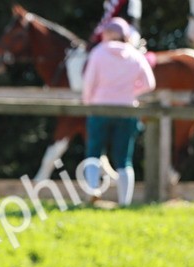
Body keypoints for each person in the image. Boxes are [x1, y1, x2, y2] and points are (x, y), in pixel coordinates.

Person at [82, 17, 156, 206]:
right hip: (127, 110)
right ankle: (124, 202)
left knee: (93, 152)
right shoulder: (134, 54)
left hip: (99, 109)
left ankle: (93, 192)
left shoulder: (98, 53)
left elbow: (88, 84)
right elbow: (150, 83)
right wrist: (132, 92)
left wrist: (88, 102)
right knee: (124, 158)